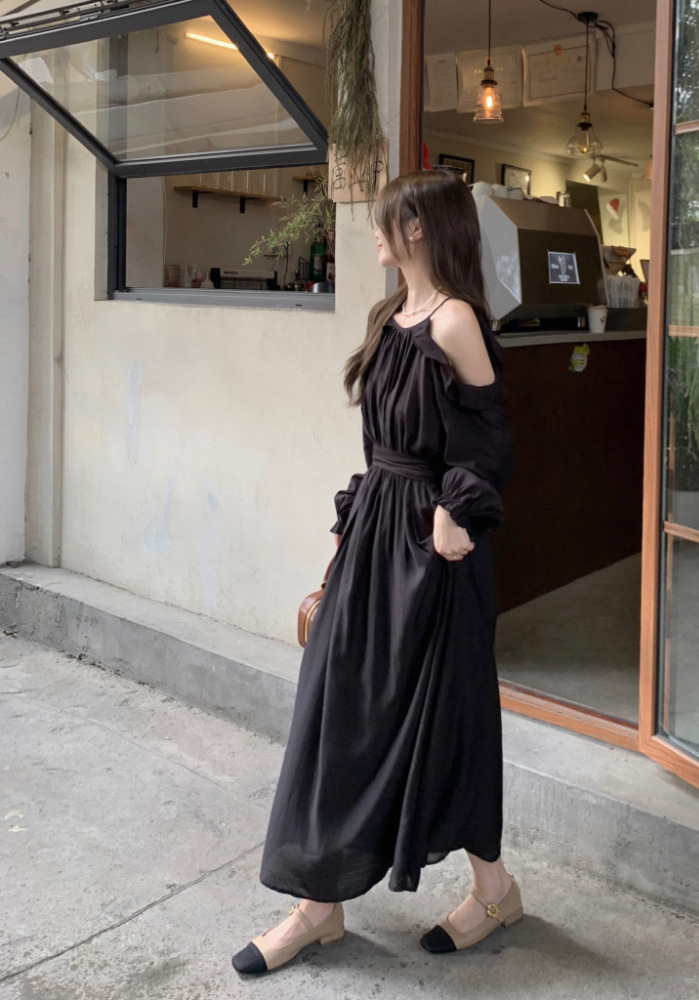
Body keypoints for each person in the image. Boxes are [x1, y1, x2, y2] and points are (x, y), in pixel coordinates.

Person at [232, 169, 519, 975]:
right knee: (336, 708)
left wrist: (454, 509)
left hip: (436, 551)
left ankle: (495, 889)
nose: (376, 232)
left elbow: (491, 441)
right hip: (375, 539)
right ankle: (318, 906)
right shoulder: (389, 317)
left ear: (418, 227)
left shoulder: (457, 321)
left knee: (448, 720)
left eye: (387, 219)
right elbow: (382, 449)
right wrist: (349, 536)